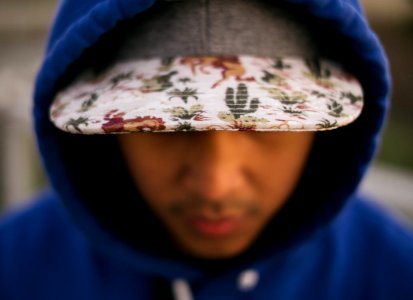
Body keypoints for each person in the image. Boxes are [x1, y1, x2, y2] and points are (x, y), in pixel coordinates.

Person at [1, 0, 413, 299]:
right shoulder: (14, 267)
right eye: (158, 125)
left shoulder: (394, 273)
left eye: (268, 120)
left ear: (328, 134)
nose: (215, 186)